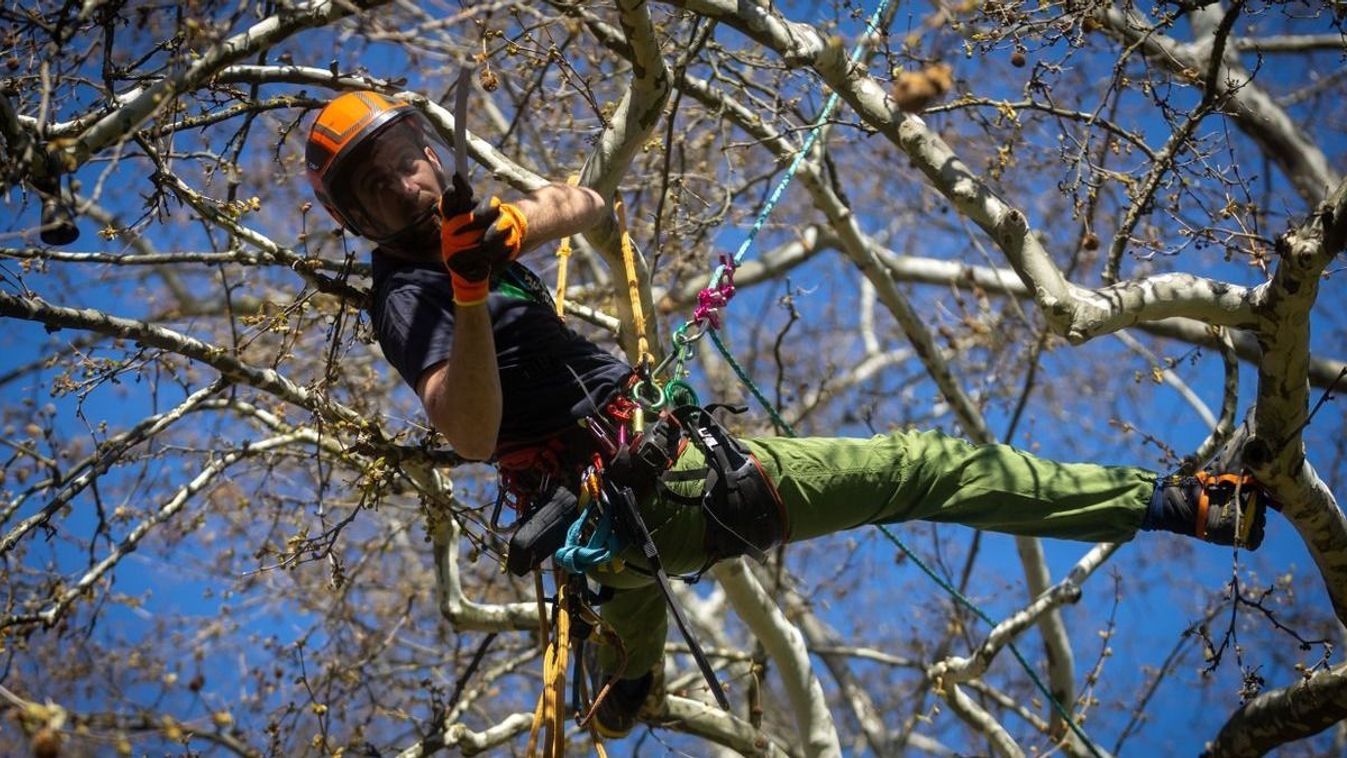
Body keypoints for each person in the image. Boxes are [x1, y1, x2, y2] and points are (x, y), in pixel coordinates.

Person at [305, 91, 1273, 738]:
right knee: (923, 469)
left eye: (402, 159)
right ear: (360, 221)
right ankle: (1180, 502)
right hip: (666, 480)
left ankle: (627, 675)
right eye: (375, 187)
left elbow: (587, 205)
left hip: (616, 508)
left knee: (626, 577)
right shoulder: (408, 296)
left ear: (428, 151)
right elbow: (468, 432)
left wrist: (524, 225)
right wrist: (470, 296)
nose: (402, 184)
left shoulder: (477, 235)